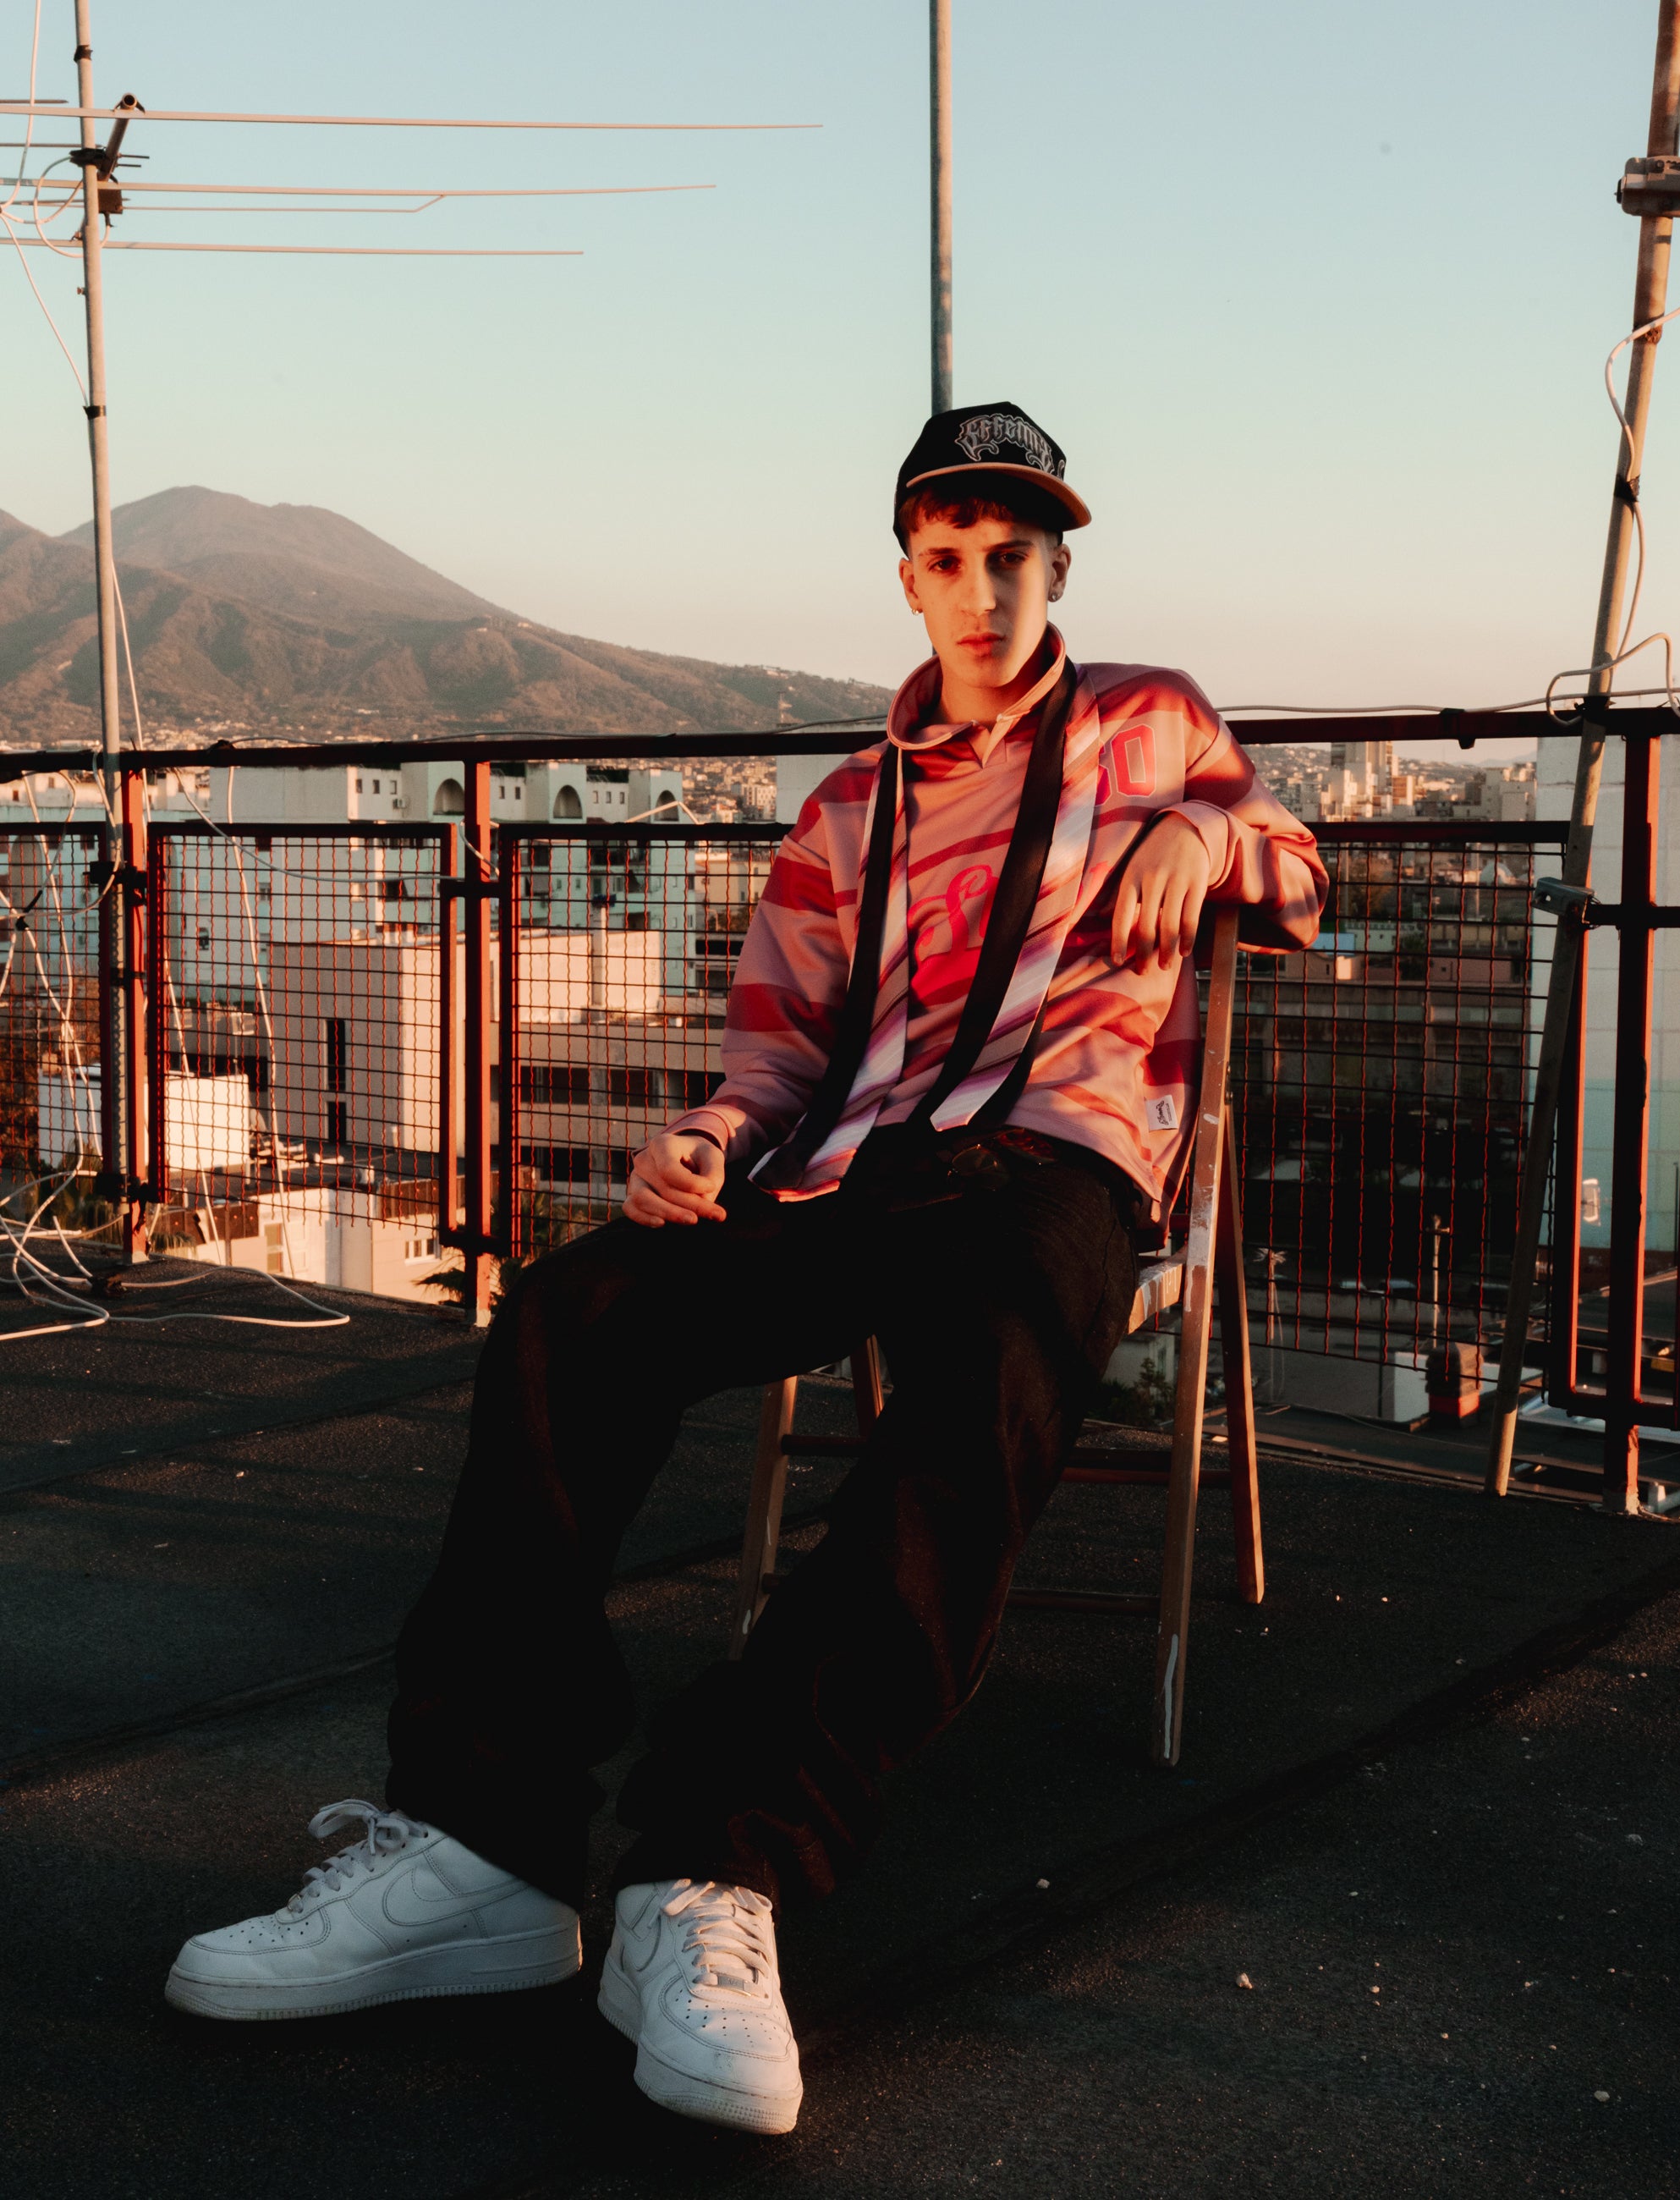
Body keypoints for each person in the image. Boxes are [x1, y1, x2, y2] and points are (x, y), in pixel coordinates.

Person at [163, 403, 1326, 2136]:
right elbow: (777, 1050)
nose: (985, 590)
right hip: (858, 1168)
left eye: (1014, 555)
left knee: (989, 1376)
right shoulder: (847, 809)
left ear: (1057, 570)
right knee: (571, 1316)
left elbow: (1299, 868)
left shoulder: (1151, 722)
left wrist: (1205, 836)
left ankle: (720, 1862)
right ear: (906, 578)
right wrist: (705, 1135)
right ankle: (479, 1844)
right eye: (950, 558)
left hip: (1059, 1163)